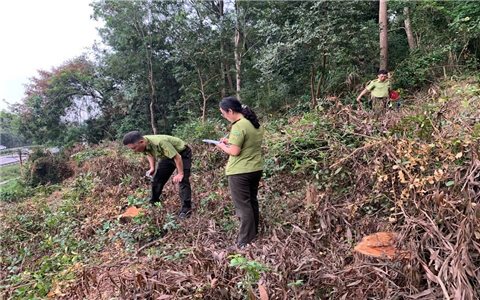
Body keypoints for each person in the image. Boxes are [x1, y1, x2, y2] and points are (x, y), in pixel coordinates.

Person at [216, 96, 264, 248]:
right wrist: (228, 142)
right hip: (255, 168)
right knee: (251, 202)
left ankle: (244, 241)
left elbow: (235, 151)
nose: (223, 116)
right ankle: (254, 233)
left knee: (243, 206)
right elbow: (245, 144)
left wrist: (221, 145)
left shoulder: (238, 125)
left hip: (240, 172)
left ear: (230, 111)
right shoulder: (253, 123)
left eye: (223, 113)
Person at [122, 131, 193, 219]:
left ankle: (186, 210)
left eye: (134, 148)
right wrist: (152, 167)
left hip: (182, 153)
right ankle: (154, 202)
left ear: (141, 142)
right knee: (157, 180)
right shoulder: (143, 143)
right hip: (166, 156)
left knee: (182, 180)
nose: (134, 151)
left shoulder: (160, 142)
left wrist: (180, 173)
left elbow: (177, 157)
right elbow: (148, 153)